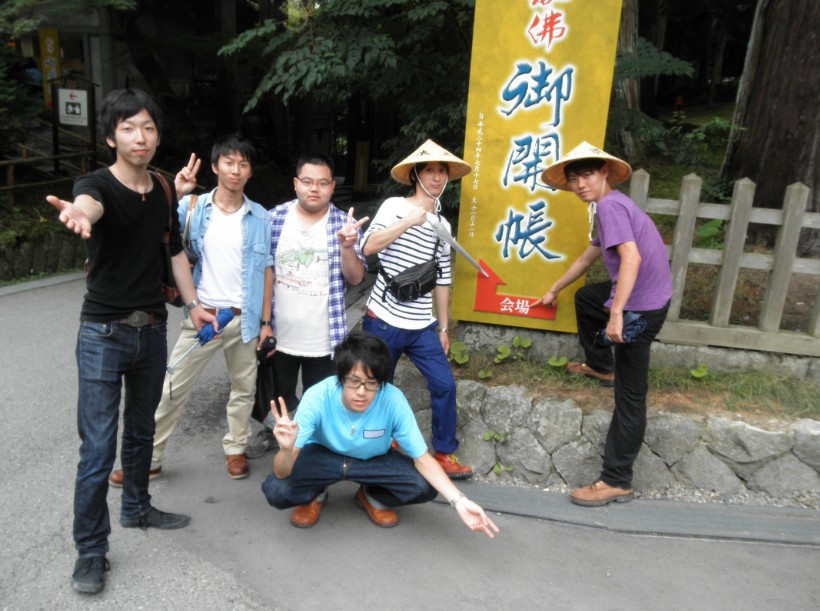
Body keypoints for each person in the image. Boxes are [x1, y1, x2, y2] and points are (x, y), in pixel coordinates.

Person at [46, 89, 212, 595]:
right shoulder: (95, 185)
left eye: (148, 127)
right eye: (128, 128)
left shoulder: (162, 189)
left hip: (152, 330)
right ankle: (91, 550)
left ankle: (137, 508)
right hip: (103, 332)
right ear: (110, 137)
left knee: (141, 431)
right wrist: (79, 215)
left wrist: (193, 304)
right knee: (98, 448)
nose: (140, 137)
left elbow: (174, 250)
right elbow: (88, 206)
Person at [108, 134, 274, 485]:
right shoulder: (193, 208)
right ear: (215, 167)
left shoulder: (260, 216)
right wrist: (176, 191)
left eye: (243, 164)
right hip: (203, 317)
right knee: (171, 388)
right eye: (229, 162)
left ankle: (235, 449)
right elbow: (152, 224)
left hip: (243, 320)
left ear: (250, 171)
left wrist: (265, 321)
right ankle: (149, 460)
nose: (236, 170)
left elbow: (267, 270)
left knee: (243, 390)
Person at [533, 141, 672, 507]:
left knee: (630, 395)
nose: (580, 184)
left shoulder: (610, 207)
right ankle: (600, 365)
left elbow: (631, 258)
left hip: (641, 309)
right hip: (649, 298)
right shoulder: (610, 205)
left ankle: (616, 479)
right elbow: (586, 259)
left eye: (588, 175)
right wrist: (554, 289)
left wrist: (617, 314)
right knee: (586, 298)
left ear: (604, 172)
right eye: (574, 179)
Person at [261, 330, 499, 538]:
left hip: (372, 460)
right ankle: (314, 493)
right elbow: (282, 471)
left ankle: (371, 496)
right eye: (354, 381)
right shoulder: (317, 396)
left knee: (424, 486)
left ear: (381, 382)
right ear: (340, 378)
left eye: (371, 383)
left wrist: (460, 501)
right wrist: (286, 449)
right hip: (322, 456)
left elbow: (422, 458)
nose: (361, 392)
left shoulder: (392, 399)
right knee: (276, 490)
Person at [361, 139, 473, 479]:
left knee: (444, 384)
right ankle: (380, 446)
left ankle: (444, 452)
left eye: (442, 171)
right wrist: (408, 222)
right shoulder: (394, 206)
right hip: (383, 318)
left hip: (422, 323)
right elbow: (368, 246)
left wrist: (443, 327)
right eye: (429, 170)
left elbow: (443, 279)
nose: (437, 177)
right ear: (416, 175)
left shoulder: (443, 226)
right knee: (377, 385)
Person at [244, 153, 368, 458]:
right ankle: (273, 435)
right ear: (296, 183)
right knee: (278, 396)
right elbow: (261, 273)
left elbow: (355, 278)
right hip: (280, 333)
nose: (315, 189)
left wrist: (347, 246)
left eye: (323, 183)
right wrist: (264, 324)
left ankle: (312, 450)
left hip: (324, 337)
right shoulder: (274, 219)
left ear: (332, 186)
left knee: (319, 400)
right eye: (308, 182)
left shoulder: (344, 224)